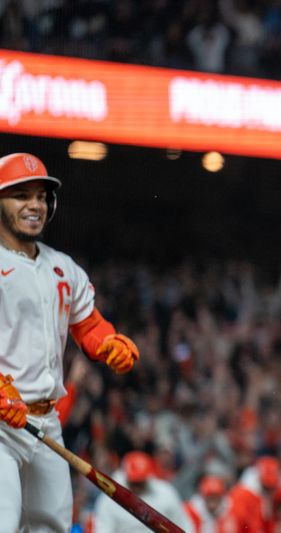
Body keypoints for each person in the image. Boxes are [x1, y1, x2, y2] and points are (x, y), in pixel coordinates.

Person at [0, 152, 141, 532]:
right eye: (20, 195)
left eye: (42, 196)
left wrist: (109, 343)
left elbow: (88, 324)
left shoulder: (63, 266)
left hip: (45, 422)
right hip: (0, 422)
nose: (35, 204)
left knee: (52, 526)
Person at [94, 451, 192, 533]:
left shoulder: (165, 492)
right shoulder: (110, 498)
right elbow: (103, 530)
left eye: (141, 482)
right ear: (125, 476)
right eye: (134, 482)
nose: (138, 486)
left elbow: (182, 524)